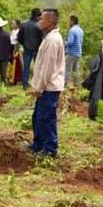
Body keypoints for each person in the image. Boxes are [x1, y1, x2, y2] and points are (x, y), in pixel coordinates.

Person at [28, 9, 65, 157]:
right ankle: (38, 145)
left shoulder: (52, 40)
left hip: (49, 87)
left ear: (50, 21)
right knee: (38, 117)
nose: (39, 21)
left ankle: (50, 148)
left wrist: (40, 87)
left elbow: (47, 68)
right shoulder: (49, 37)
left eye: (42, 19)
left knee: (46, 118)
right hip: (46, 87)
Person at [18, 8, 43, 89]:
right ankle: (37, 83)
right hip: (37, 49)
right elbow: (42, 38)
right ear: (38, 16)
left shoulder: (24, 24)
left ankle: (25, 84)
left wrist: (24, 44)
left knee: (26, 67)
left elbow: (19, 38)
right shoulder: (39, 25)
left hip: (27, 48)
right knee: (38, 67)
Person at [64, 15, 83, 86]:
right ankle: (77, 84)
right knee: (76, 69)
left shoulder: (72, 30)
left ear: (72, 21)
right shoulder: (80, 30)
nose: (68, 22)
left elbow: (70, 42)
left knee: (67, 69)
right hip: (78, 52)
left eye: (69, 21)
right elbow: (81, 41)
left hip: (71, 53)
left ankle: (65, 83)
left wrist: (63, 43)